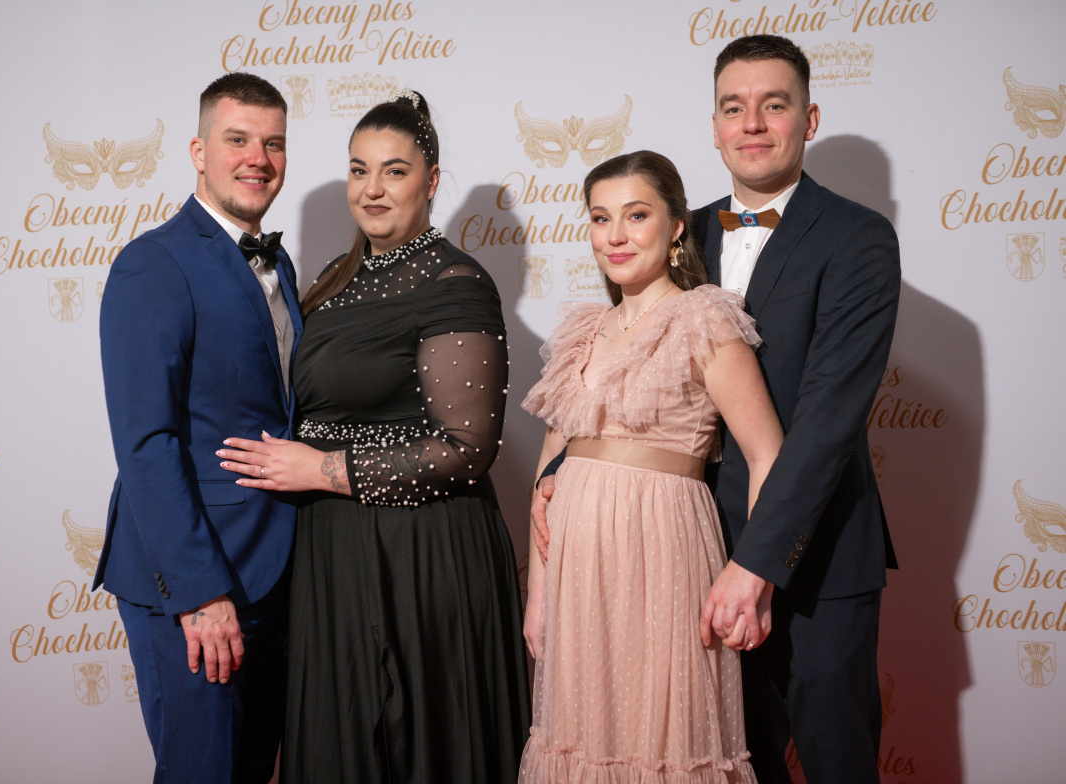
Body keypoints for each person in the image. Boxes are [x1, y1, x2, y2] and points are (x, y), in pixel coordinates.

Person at [534, 35, 901, 784]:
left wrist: (757, 564)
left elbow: (826, 421)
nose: (752, 123)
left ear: (809, 118)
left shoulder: (859, 238)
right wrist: (562, 471)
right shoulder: (674, 225)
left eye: (774, 105)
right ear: (714, 126)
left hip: (812, 555)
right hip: (681, 558)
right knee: (724, 761)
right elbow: (627, 368)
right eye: (735, 107)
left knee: (835, 757)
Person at [217, 89, 531, 783]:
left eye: (394, 170)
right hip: (335, 555)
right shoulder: (337, 277)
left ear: (432, 181)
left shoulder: (455, 281)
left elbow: (466, 449)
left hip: (422, 559)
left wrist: (321, 470)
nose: (372, 189)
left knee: (426, 750)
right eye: (359, 170)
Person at [518, 150, 783, 783]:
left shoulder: (703, 317)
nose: (616, 235)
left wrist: (758, 579)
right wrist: (538, 596)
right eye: (600, 218)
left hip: (663, 551)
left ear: (676, 226)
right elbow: (546, 472)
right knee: (582, 738)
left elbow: (766, 453)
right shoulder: (582, 332)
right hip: (576, 570)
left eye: (636, 215)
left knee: (663, 741)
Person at [95, 73, 302, 784]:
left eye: (274, 143)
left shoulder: (280, 264)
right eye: (237, 139)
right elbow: (144, 442)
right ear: (198, 151)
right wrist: (199, 593)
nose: (258, 159)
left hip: (273, 575)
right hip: (194, 583)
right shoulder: (153, 263)